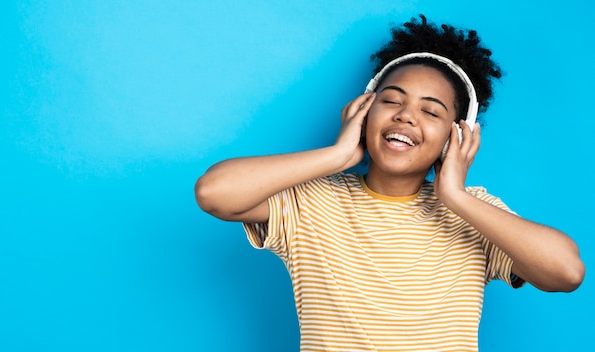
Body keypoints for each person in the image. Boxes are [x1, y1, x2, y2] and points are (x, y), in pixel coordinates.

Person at [194, 14, 585, 352]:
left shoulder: (474, 212)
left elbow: (566, 272)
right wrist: (336, 155)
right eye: (392, 100)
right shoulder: (310, 201)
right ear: (363, 111)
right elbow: (214, 193)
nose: (406, 117)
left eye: (430, 111)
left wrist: (454, 195)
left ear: (456, 135)